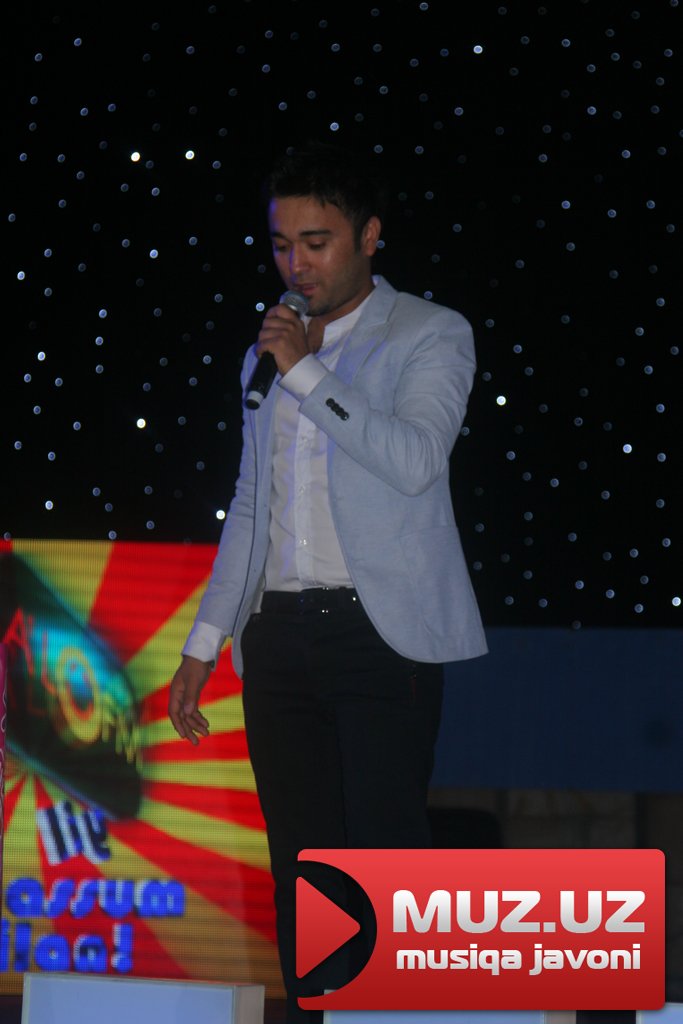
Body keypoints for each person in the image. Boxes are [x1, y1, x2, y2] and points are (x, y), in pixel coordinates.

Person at [168, 140, 488, 1022]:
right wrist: (205, 640)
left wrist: (304, 371)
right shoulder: (263, 356)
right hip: (277, 635)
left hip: (378, 634)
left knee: (383, 856)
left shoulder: (429, 332)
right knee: (302, 866)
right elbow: (251, 503)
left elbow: (414, 459)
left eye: (317, 242)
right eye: (281, 244)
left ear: (369, 235)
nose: (296, 264)